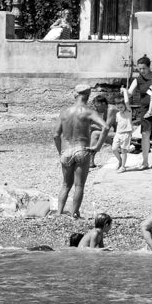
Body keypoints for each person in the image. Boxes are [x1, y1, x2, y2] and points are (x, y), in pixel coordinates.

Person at [54, 84, 108, 219]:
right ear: (88, 96)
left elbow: (56, 135)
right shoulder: (89, 112)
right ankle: (74, 214)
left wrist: (60, 151)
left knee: (66, 184)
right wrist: (97, 147)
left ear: (75, 95)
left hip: (66, 150)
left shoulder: (64, 112)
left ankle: (59, 213)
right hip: (82, 149)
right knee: (79, 185)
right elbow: (106, 127)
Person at [124, 56, 152, 169]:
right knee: (145, 135)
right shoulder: (138, 79)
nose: (141, 71)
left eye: (144, 68)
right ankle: (145, 162)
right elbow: (130, 93)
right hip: (145, 110)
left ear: (149, 67)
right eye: (139, 69)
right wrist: (124, 92)